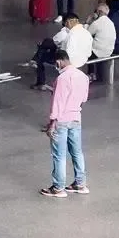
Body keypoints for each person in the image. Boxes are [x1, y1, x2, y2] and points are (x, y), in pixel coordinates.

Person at [41, 49, 89, 198]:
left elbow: (57, 103)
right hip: (76, 118)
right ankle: (80, 184)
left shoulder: (62, 79)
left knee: (59, 155)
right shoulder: (83, 76)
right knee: (77, 152)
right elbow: (84, 99)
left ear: (58, 61)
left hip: (61, 121)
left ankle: (58, 187)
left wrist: (52, 123)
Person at [29, 13, 91, 91]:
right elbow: (89, 52)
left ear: (68, 22)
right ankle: (37, 56)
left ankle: (40, 83)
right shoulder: (87, 33)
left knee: (41, 57)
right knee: (47, 46)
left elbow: (66, 54)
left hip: (70, 61)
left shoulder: (71, 35)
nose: (66, 27)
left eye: (65, 25)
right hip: (83, 60)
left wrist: (58, 50)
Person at [85, 1, 116, 81]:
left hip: (97, 52)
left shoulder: (97, 22)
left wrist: (87, 22)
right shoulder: (111, 22)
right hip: (109, 51)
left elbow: (86, 34)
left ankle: (91, 74)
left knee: (86, 49)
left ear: (99, 12)